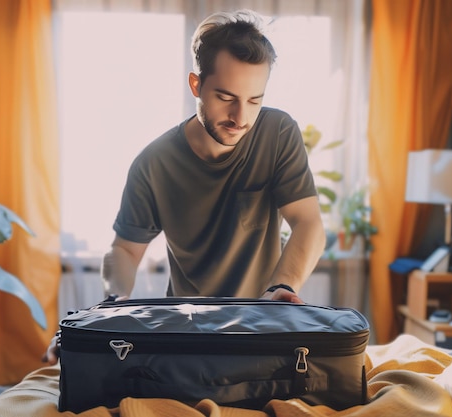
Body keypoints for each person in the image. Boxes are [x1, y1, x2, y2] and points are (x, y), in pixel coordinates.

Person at [44, 9, 325, 364]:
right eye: (226, 97)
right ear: (196, 85)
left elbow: (308, 222)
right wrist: (112, 303)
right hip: (187, 332)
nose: (241, 118)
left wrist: (282, 287)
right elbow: (126, 251)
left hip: (262, 326)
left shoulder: (278, 132)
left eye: (254, 100)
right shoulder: (154, 163)